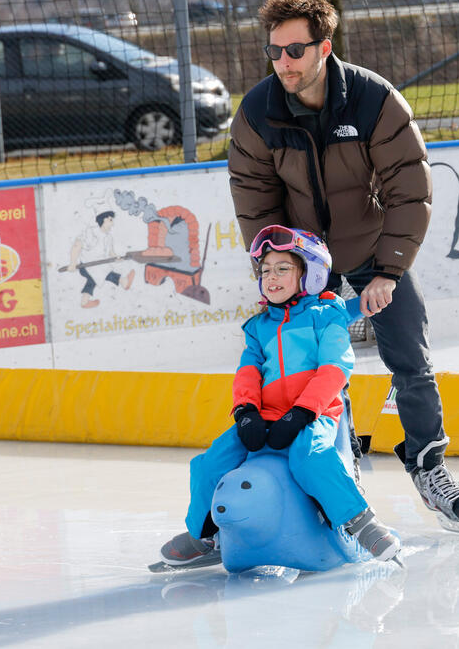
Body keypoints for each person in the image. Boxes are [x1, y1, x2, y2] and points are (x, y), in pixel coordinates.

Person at [227, 0, 459, 529]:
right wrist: (279, 272)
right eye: (274, 51)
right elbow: (256, 204)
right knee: (311, 370)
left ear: (323, 47)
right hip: (308, 263)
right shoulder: (257, 113)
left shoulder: (374, 99)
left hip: (371, 250)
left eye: (294, 50)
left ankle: (428, 466)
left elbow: (409, 188)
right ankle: (341, 468)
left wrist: (389, 270)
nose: (283, 62)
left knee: (411, 359)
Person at [159, 225, 400, 568]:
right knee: (209, 463)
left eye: (283, 269)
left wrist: (302, 412)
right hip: (266, 413)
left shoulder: (327, 317)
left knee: (312, 457)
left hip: (313, 414)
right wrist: (245, 412)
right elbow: (248, 373)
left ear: (311, 274)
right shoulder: (258, 328)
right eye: (266, 270)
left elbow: (334, 368)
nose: (271, 277)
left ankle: (360, 521)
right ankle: (204, 535)